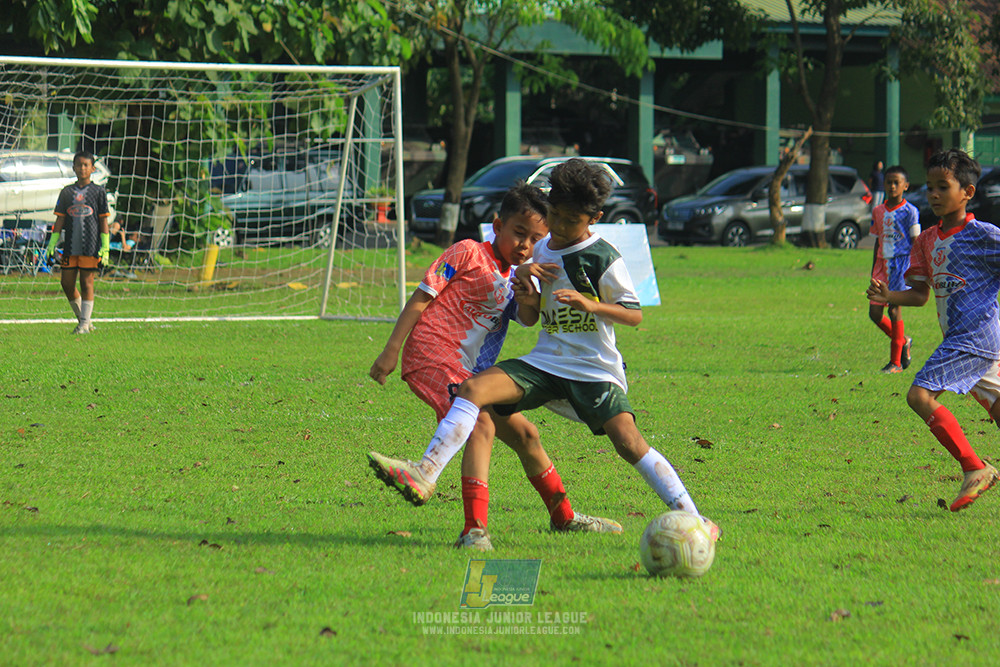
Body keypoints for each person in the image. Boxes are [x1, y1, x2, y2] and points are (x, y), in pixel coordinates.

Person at [371, 158, 718, 540]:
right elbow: (527, 314)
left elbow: (629, 315)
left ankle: (687, 520)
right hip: (531, 361)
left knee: (613, 441)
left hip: (592, 369)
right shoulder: (526, 253)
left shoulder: (600, 255)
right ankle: (450, 499)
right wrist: (524, 287)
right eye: (554, 217)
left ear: (594, 218)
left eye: (569, 221)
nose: (557, 228)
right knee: (476, 402)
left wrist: (588, 305)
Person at [367, 181, 622, 551]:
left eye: (537, 238)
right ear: (497, 225)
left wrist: (531, 291)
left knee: (526, 436)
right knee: (480, 425)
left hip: (471, 374)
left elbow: (529, 319)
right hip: (432, 354)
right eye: (519, 233)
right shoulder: (468, 251)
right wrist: (392, 350)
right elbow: (423, 295)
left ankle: (564, 517)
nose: (526, 245)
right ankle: (472, 530)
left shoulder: (519, 273)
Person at [867, 148, 1000, 512]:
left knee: (919, 396)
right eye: (930, 188)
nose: (935, 195)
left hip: (973, 337)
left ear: (968, 193)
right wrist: (889, 294)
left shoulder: (984, 236)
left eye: (944, 187)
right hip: (966, 340)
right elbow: (922, 295)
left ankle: (975, 468)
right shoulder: (926, 240)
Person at [47, 151, 110, 334]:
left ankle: (83, 325)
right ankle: (85, 321)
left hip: (90, 246)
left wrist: (105, 247)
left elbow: (103, 221)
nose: (82, 168)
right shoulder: (67, 192)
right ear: (73, 168)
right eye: (79, 165)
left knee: (86, 282)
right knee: (66, 283)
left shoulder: (98, 192)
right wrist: (52, 243)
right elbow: (59, 219)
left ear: (92, 168)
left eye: (86, 165)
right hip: (70, 247)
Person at [868, 165, 920, 373]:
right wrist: (873, 269)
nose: (891, 186)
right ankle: (904, 340)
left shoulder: (911, 211)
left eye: (896, 182)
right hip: (882, 265)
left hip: (901, 265)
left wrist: (918, 267)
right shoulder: (878, 211)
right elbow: (877, 241)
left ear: (905, 186)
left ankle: (895, 362)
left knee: (894, 310)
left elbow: (916, 240)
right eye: (888, 182)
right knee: (874, 313)